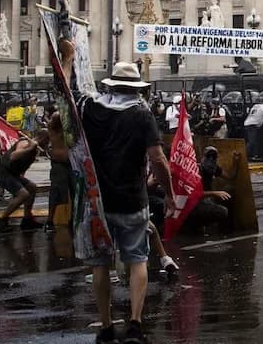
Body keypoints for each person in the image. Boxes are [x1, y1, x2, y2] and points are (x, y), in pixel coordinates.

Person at [65, 56, 175, 344]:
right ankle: (135, 325)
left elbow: (66, 92)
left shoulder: (89, 109)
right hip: (131, 199)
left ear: (111, 85)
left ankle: (105, 327)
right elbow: (157, 158)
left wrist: (66, 57)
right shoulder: (141, 114)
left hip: (97, 202)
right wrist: (171, 192)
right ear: (136, 89)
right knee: (137, 259)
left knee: (100, 264)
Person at [0, 134, 43, 231]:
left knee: (32, 187)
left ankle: (27, 219)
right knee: (23, 194)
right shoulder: (25, 143)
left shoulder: (36, 149)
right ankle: (2, 220)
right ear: (43, 139)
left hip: (12, 174)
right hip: (3, 172)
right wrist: (30, 148)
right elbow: (14, 156)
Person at [44, 111, 73, 233]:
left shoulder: (68, 127)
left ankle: (72, 218)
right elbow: (57, 117)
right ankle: (50, 220)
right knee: (56, 192)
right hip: (59, 163)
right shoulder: (55, 122)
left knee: (74, 191)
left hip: (69, 162)